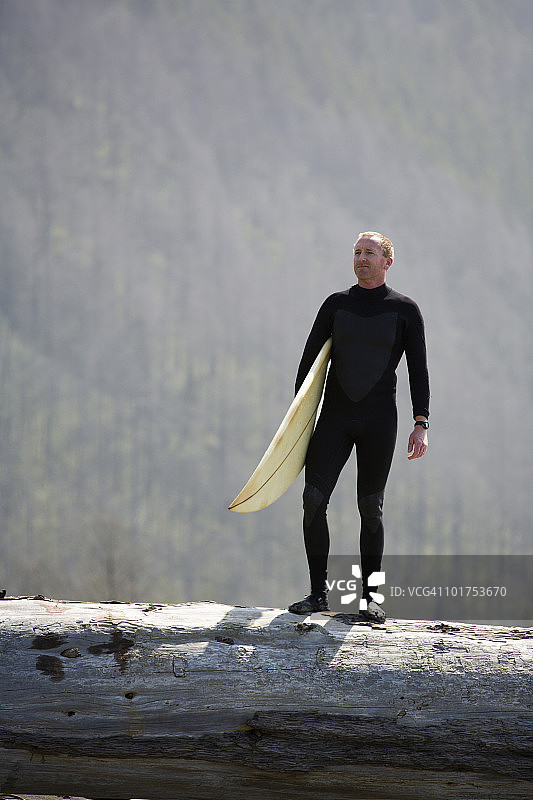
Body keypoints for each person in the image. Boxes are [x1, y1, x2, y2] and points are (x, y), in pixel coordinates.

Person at [288, 232, 430, 622]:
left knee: (371, 508)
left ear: (387, 261)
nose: (361, 258)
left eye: (369, 253)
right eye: (356, 252)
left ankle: (369, 599)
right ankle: (318, 594)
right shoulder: (336, 305)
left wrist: (421, 422)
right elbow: (308, 365)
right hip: (334, 416)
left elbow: (418, 370)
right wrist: (297, 420)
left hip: (379, 420)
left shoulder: (405, 310)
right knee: (313, 500)